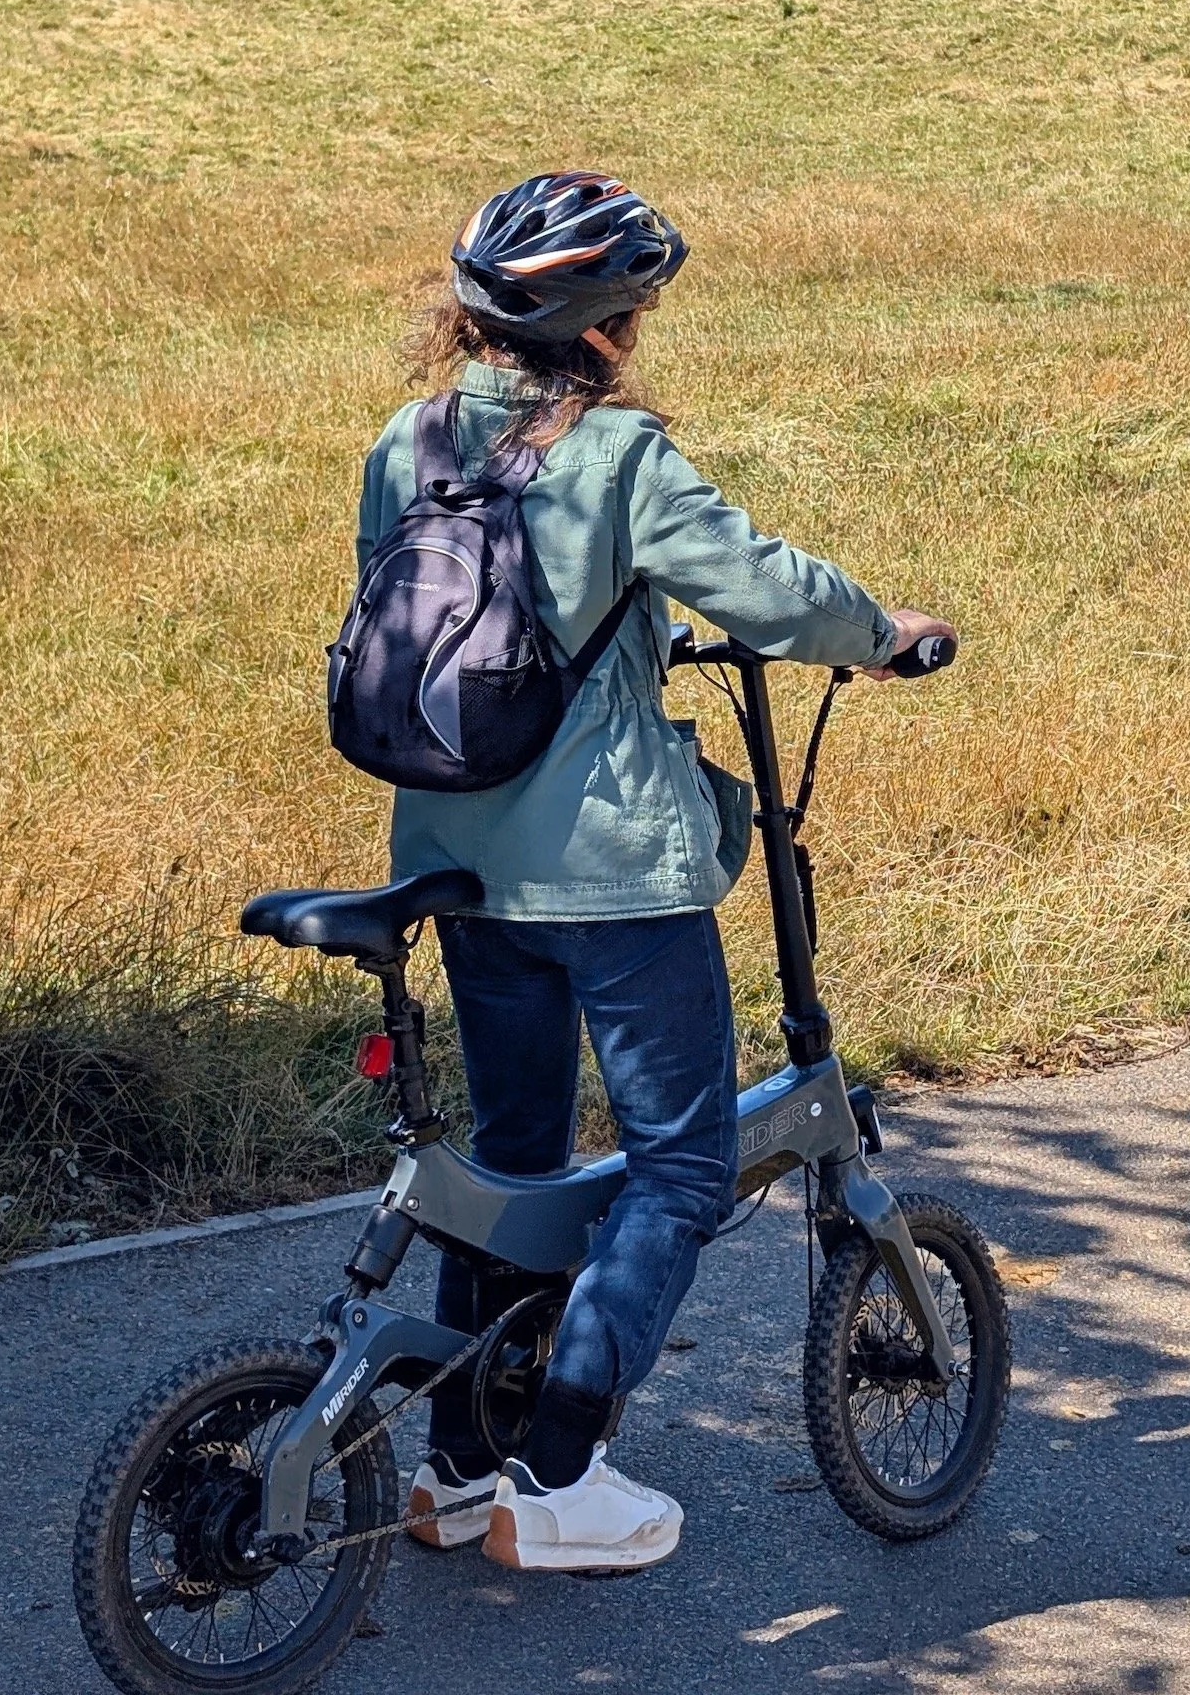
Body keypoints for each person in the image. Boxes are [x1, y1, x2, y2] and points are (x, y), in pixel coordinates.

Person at [351, 172, 951, 1576]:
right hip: (612, 875)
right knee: (678, 1170)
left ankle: (456, 1468)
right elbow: (766, 591)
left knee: (510, 1165)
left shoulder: (407, 438)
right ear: (608, 329)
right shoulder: (619, 458)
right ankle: (557, 1475)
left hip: (453, 858)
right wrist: (881, 633)